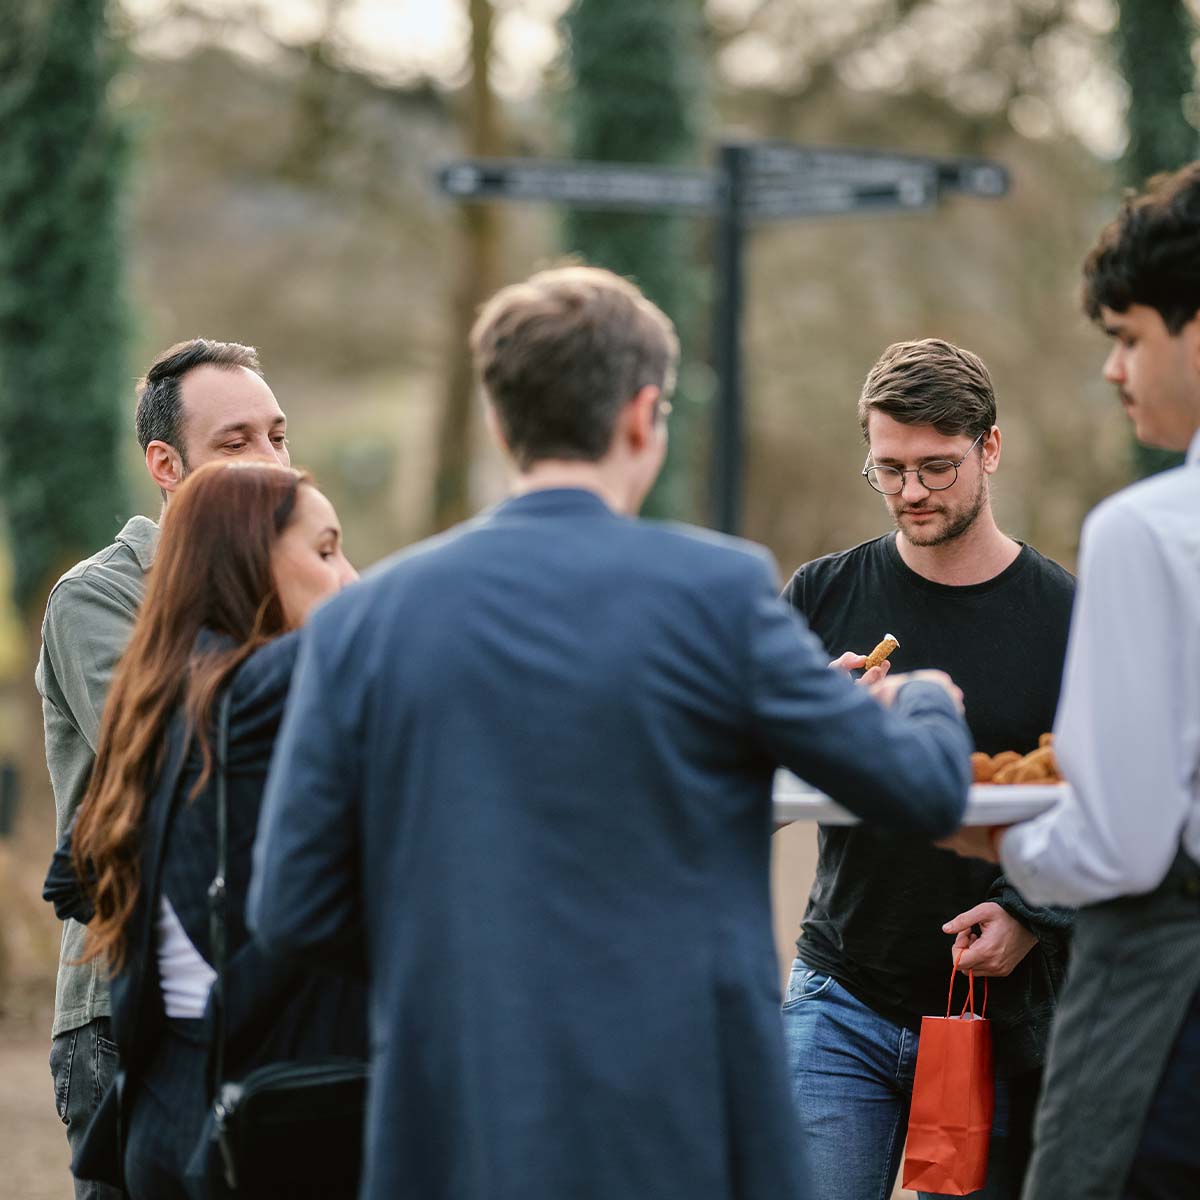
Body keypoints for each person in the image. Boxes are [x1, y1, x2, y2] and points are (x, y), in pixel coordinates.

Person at [248, 265, 974, 1200]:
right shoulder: (717, 592)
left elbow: (292, 906)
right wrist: (923, 700)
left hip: (455, 1111)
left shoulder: (364, 622)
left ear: (500, 422)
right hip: (677, 1114)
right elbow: (921, 790)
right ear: (641, 417)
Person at [945, 164, 1200, 1199]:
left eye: (1128, 336)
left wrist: (990, 839)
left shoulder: (1150, 531)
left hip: (1166, 1010)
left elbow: (1122, 843)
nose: (1112, 368)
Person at [779, 338, 1076, 1200]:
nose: (910, 491)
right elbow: (738, 793)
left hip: (1005, 1015)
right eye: (889, 469)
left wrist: (1032, 917)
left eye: (936, 467)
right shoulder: (821, 595)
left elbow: (1108, 802)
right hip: (839, 995)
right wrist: (815, 725)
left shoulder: (1068, 615)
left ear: (990, 448)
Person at [51, 460, 364, 1199]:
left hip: (168, 1105)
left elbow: (73, 876)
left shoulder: (158, 704)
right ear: (246, 565)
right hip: (271, 1119)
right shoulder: (254, 694)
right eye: (326, 551)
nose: (349, 578)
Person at [37, 337, 289, 1198]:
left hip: (270, 994)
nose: (272, 462)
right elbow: (185, 751)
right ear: (165, 464)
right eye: (236, 442)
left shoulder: (298, 583)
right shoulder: (100, 597)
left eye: (277, 436)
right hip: (129, 1004)